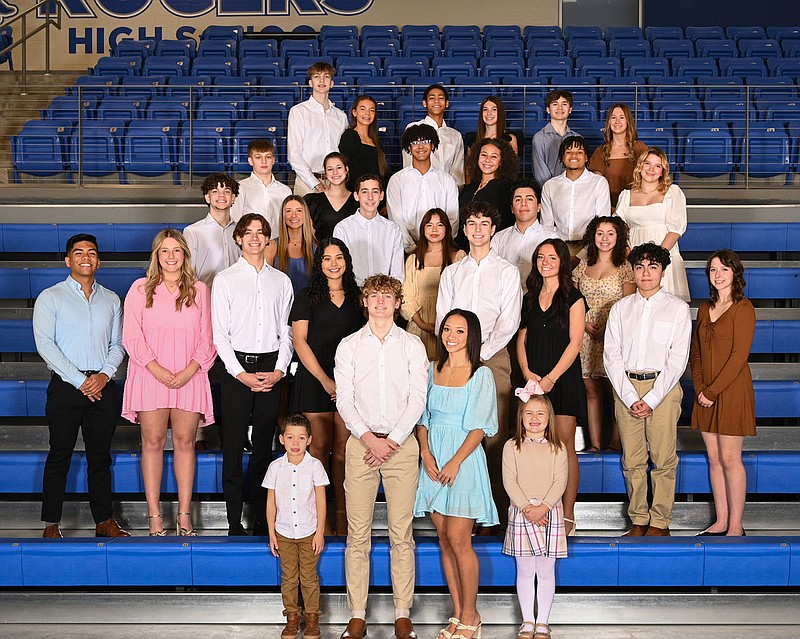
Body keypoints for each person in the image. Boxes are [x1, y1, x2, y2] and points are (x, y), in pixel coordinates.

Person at [334, 275, 429, 639]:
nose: (380, 303)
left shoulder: (411, 346)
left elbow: (417, 399)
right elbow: (344, 399)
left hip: (401, 446)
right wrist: (369, 438)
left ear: (396, 302)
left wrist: (392, 440)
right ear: (365, 301)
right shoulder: (349, 346)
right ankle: (357, 614)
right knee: (357, 535)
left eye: (387, 297)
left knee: (401, 534)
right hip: (362, 443)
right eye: (374, 296)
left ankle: (402, 613)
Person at [122, 229, 217, 537]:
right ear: (157, 256)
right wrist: (157, 369)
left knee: (185, 443)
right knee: (152, 443)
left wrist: (190, 370)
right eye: (165, 251)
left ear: (185, 255)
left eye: (177, 250)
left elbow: (208, 338)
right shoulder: (139, 289)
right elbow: (132, 337)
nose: (171, 256)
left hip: (189, 375)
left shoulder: (200, 290)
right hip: (150, 375)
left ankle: (185, 516)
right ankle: (154, 518)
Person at [33, 234, 128, 539]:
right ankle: (51, 523)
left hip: (102, 387)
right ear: (68, 260)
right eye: (78, 253)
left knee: (100, 457)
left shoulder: (112, 299)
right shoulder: (51, 297)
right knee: (59, 453)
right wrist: (80, 381)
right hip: (65, 388)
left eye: (91, 253)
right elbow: (46, 345)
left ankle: (104, 521)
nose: (85, 257)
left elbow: (118, 344)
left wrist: (103, 375)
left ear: (98, 260)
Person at [414, 309, 499, 639]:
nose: (451, 335)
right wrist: (425, 452)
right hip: (433, 459)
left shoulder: (481, 374)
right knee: (444, 541)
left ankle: (471, 615)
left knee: (460, 539)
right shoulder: (431, 369)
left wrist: (454, 462)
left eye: (459, 331)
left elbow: (480, 427)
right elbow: (422, 419)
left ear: (471, 336)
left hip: (462, 461)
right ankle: (457, 613)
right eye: (447, 329)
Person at [436, 202, 522, 526]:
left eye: (484, 223)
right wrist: (459, 352)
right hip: (454, 357)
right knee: (457, 434)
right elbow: (442, 317)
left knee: (493, 437)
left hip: (491, 357)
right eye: (472, 223)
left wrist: (481, 352)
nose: (477, 229)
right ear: (465, 229)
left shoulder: (507, 271)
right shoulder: (452, 272)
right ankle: (460, 514)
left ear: (492, 229)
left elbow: (509, 320)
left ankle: (496, 517)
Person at [211, 213, 294, 536]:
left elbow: (286, 333)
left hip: (271, 368)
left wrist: (278, 370)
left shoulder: (281, 281)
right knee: (232, 446)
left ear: (268, 238)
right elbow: (220, 335)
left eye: (261, 232)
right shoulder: (226, 279)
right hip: (237, 371)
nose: (255, 238)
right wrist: (239, 374)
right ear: (238, 238)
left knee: (264, 446)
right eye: (248, 233)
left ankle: (261, 517)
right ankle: (233, 521)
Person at [603, 243, 691, 537]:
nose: (646, 273)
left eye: (653, 267)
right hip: (626, 386)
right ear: (633, 270)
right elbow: (611, 356)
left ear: (663, 272)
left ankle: (660, 522)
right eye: (640, 267)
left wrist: (651, 398)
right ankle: (638, 519)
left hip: (662, 387)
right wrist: (630, 396)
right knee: (632, 459)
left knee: (664, 459)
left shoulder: (677, 309)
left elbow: (678, 359)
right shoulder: (620, 309)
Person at [290, 238, 364, 535]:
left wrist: (345, 383)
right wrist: (325, 380)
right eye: (327, 258)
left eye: (339, 257)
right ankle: (320, 517)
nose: (333, 263)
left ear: (346, 260)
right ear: (319, 264)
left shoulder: (359, 296)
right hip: (314, 380)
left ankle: (344, 515)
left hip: (352, 383)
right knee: (318, 449)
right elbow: (299, 341)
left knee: (345, 451)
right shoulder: (307, 295)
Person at [517, 239, 586, 536]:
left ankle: (568, 513)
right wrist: (527, 373)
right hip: (533, 380)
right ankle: (537, 509)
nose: (546, 262)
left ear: (562, 262)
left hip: (563, 378)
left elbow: (575, 342)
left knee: (564, 446)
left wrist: (551, 379)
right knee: (533, 448)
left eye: (552, 257)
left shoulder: (574, 297)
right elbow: (521, 338)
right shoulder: (529, 297)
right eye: (541, 257)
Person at [691, 249, 756, 537]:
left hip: (730, 391)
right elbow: (696, 353)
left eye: (724, 270)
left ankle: (736, 525)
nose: (718, 275)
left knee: (731, 459)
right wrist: (701, 387)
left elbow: (738, 356)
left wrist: (714, 390)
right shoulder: (705, 309)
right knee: (714, 458)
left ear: (735, 274)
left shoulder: (744, 308)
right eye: (713, 270)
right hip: (706, 393)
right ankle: (721, 520)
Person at [503, 386, 568, 639]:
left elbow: (560, 481)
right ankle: (527, 621)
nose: (534, 418)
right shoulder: (512, 447)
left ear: (549, 418)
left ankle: (543, 622)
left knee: (546, 570)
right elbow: (509, 481)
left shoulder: (558, 448)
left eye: (541, 414)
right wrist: (528, 508)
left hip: (549, 512)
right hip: (522, 513)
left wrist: (544, 507)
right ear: (521, 416)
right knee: (526, 570)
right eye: (529, 413)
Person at [572, 217, 636, 452]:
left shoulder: (625, 267)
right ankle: (595, 443)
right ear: (593, 236)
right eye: (600, 233)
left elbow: (629, 305)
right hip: (586, 334)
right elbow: (574, 300)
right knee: (591, 390)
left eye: (611, 233)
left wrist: (608, 327)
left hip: (614, 335)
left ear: (618, 237)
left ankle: (615, 442)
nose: (605, 238)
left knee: (616, 391)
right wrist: (585, 323)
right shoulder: (582, 265)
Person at [264, 414, 329, 639]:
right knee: (289, 577)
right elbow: (271, 502)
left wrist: (320, 532)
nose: (295, 443)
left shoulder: (315, 466)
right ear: (281, 439)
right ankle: (292, 618)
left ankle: (312, 620)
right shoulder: (275, 467)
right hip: (283, 531)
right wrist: (271, 533)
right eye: (290, 437)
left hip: (308, 531)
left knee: (309, 577)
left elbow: (321, 500)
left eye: (301, 438)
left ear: (309, 440)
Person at [615, 147, 690, 302]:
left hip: (663, 254)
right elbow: (617, 230)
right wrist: (632, 257)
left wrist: (656, 260)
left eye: (658, 166)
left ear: (663, 171)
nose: (651, 169)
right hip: (632, 257)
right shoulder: (625, 195)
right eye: (647, 163)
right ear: (640, 166)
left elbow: (676, 229)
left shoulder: (672, 192)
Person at [401, 209, 466, 360]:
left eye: (440, 225)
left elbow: (463, 294)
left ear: (447, 229)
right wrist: (422, 324)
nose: (434, 230)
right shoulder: (414, 259)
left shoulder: (459, 257)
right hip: (419, 324)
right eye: (429, 225)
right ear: (423, 229)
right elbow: (406, 296)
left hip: (450, 325)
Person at [387, 123, 459, 253]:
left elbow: (453, 219)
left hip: (442, 251)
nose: (420, 146)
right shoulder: (397, 180)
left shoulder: (446, 180)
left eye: (425, 141)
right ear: (409, 147)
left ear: (432, 145)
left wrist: (439, 247)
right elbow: (396, 220)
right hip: (407, 251)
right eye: (415, 142)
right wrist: (413, 249)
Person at [540, 136, 611, 258]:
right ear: (562, 157)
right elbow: (547, 225)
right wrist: (557, 251)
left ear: (586, 157)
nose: (573, 156)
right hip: (559, 249)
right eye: (568, 152)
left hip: (590, 247)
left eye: (579, 152)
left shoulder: (599, 183)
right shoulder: (550, 186)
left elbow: (602, 222)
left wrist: (582, 254)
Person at [288, 61, 349, 196]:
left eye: (326, 76)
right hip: (307, 183)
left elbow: (343, 152)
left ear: (332, 83)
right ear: (310, 83)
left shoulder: (341, 116)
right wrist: (314, 183)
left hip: (335, 182)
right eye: (316, 76)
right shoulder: (298, 112)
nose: (321, 80)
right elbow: (294, 154)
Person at [333, 174, 404, 286]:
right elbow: (339, 269)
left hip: (383, 295)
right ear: (356, 196)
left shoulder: (393, 230)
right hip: (352, 292)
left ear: (381, 196)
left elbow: (397, 273)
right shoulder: (343, 229)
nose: (370, 197)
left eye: (375, 192)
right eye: (365, 192)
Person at [491, 178, 557, 288]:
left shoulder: (551, 238)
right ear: (512, 209)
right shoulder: (499, 238)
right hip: (504, 299)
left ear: (539, 207)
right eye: (518, 200)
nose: (523, 204)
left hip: (538, 300)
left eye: (529, 199)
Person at [402, 83, 466, 188]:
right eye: (432, 98)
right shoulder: (413, 128)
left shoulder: (455, 135)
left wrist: (452, 192)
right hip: (419, 189)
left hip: (447, 192)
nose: (436, 101)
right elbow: (408, 163)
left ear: (447, 103)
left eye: (441, 98)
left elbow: (458, 171)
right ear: (424, 103)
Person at [184, 173, 241, 288]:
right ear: (207, 197)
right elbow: (188, 272)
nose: (221, 196)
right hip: (206, 298)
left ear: (233, 198)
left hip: (237, 298)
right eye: (215, 191)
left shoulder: (241, 231)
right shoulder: (193, 232)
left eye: (227, 191)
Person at [458, 137, 519, 243]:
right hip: (465, 247)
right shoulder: (469, 188)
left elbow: (506, 223)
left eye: (494, 156)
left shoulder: (506, 188)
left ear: (501, 162)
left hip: (493, 247)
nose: (487, 160)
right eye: (484, 155)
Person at [588, 103, 648, 209]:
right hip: (608, 208)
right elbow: (597, 186)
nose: (617, 122)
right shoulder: (601, 151)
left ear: (628, 121)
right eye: (613, 117)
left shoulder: (640, 148)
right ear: (609, 122)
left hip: (635, 207)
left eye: (622, 117)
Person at [230, 138, 292, 238]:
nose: (264, 161)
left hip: (278, 243)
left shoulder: (285, 191)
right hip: (251, 243)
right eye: (258, 157)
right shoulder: (240, 188)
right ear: (250, 161)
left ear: (273, 160)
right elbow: (236, 220)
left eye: (268, 157)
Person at [304, 152, 359, 242]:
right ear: (325, 173)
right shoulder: (312, 201)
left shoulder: (357, 200)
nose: (335, 172)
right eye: (330, 169)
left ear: (346, 170)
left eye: (339, 167)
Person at [339, 95, 388, 191]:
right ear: (354, 112)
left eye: (372, 110)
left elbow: (381, 171)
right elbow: (351, 170)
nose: (367, 113)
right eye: (363, 109)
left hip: (376, 194)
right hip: (358, 194)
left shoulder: (376, 141)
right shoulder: (349, 136)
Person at [269, 195, 316, 293]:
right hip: (281, 305)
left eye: (299, 210)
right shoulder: (271, 247)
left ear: (305, 215)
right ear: (283, 215)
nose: (293, 215)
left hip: (309, 305)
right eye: (288, 211)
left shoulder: (317, 248)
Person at [531, 90, 577, 186]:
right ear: (548, 109)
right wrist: (552, 191)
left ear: (570, 109)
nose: (560, 108)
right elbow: (540, 173)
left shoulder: (577, 138)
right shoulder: (539, 138)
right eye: (555, 104)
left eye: (564, 104)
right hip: (548, 192)